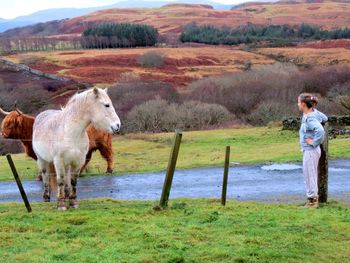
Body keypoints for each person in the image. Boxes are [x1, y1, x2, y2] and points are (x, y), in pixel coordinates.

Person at [298, 93, 325, 208]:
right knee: (309, 174)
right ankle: (312, 200)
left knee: (310, 175)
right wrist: (313, 109)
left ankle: (312, 202)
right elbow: (325, 118)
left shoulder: (310, 118)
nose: (297, 104)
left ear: (303, 104)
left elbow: (320, 131)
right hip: (310, 150)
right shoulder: (311, 114)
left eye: (298, 102)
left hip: (311, 151)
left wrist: (313, 142)